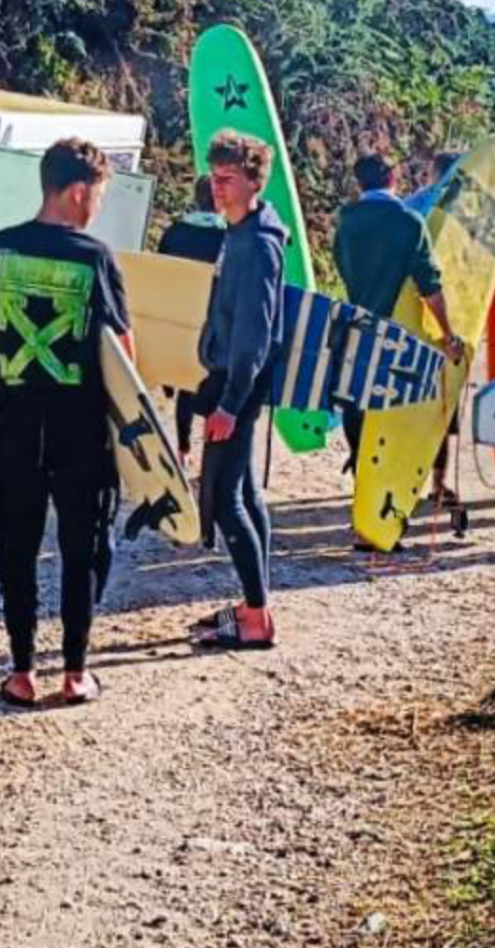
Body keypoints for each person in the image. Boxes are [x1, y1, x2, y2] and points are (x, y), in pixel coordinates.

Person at [0, 138, 128, 707]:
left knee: (15, 547)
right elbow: (123, 353)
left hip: (14, 426)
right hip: (80, 430)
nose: (97, 205)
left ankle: (22, 671)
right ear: (78, 191)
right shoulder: (96, 258)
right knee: (82, 546)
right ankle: (76, 672)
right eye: (98, 194)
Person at [192, 132, 287, 650]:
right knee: (246, 493)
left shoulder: (255, 245)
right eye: (215, 177)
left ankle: (255, 619)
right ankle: (258, 604)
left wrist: (229, 403)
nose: (218, 187)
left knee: (225, 500)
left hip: (237, 385)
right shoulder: (240, 232)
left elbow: (254, 333)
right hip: (234, 381)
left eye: (229, 179)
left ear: (254, 180)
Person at [332, 153, 466, 502]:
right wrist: (448, 334)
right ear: (393, 177)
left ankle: (363, 476)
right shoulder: (407, 222)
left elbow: (342, 268)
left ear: (359, 182)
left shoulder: (345, 221)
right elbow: (430, 285)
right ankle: (430, 483)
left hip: (358, 323)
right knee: (426, 398)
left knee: (357, 402)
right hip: (400, 331)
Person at [154, 175, 225, 464]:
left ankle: (182, 448)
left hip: (177, 315)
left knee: (185, 382)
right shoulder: (227, 234)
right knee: (213, 379)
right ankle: (212, 451)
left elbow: (161, 272)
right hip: (211, 315)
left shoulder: (174, 231)